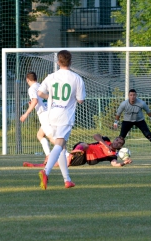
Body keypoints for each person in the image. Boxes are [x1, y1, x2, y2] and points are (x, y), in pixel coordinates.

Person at [37, 50, 86, 190]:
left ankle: (67, 180)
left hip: (51, 114)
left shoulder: (51, 76)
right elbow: (81, 100)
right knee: (59, 144)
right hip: (65, 115)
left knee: (62, 147)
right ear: (70, 61)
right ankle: (46, 171)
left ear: (58, 62)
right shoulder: (76, 78)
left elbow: (40, 93)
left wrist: (51, 98)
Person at [23, 134, 132, 167]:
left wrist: (123, 163)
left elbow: (114, 164)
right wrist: (105, 144)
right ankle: (73, 152)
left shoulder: (113, 155)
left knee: (64, 163)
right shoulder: (107, 140)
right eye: (117, 140)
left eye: (119, 143)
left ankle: (37, 165)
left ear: (120, 147)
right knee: (84, 145)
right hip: (83, 148)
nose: (117, 142)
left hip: (86, 159)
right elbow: (96, 136)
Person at [114, 89, 151, 155]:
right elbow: (118, 113)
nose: (132, 96)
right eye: (131, 95)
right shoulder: (123, 104)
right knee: (121, 137)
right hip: (127, 121)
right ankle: (117, 151)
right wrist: (116, 122)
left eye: (134, 95)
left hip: (139, 120)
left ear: (136, 95)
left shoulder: (141, 103)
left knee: (149, 135)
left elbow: (148, 111)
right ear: (128, 96)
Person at [20, 71, 54, 161]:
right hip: (51, 112)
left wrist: (25, 114)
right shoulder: (41, 86)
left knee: (51, 137)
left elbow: (35, 101)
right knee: (40, 135)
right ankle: (48, 155)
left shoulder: (31, 89)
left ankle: (66, 154)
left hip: (44, 115)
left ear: (27, 80)